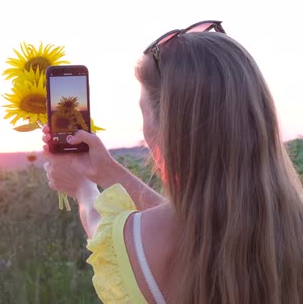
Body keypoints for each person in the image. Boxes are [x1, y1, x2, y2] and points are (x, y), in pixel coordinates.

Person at [42, 20, 303, 304]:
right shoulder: (290, 226)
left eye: (144, 113)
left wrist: (83, 188)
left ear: (171, 130)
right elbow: (197, 223)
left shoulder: (139, 244)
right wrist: (106, 171)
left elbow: (101, 226)